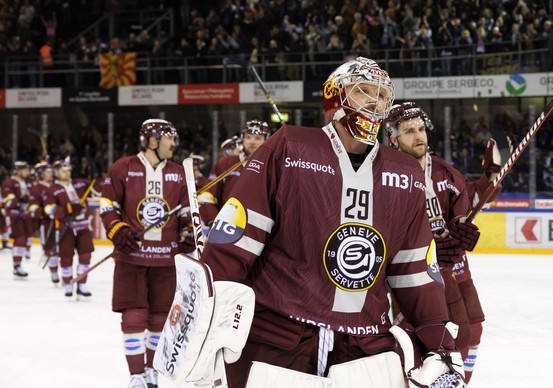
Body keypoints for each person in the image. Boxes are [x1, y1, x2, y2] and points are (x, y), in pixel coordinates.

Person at [194, 57, 463, 387]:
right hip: (276, 337)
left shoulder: (406, 172)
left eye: (381, 96)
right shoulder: (289, 147)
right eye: (364, 91)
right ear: (335, 97)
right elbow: (236, 239)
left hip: (362, 349)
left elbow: (414, 270)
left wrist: (440, 347)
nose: (375, 102)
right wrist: (205, 322)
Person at [385, 102, 493, 384]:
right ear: (393, 139)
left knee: (471, 330)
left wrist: (462, 229)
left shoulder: (444, 171)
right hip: (412, 272)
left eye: (421, 129)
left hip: (453, 268)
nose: (418, 136)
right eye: (409, 131)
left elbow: (464, 205)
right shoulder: (387, 174)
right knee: (412, 337)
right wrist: (432, 244)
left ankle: (460, 381)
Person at [99, 119, 193, 388]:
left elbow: (187, 210)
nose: (174, 144)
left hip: (166, 257)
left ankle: (151, 371)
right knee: (133, 315)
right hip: (133, 256)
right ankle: (136, 374)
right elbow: (107, 204)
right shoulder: (123, 167)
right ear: (152, 140)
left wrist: (187, 232)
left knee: (160, 317)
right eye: (169, 138)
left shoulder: (178, 172)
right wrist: (116, 228)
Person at [198, 119, 269, 227]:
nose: (252, 142)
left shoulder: (272, 167)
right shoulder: (226, 164)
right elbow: (207, 196)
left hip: (260, 229)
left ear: (267, 140)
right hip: (227, 228)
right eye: (248, 137)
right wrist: (212, 221)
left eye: (258, 138)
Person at [43, 159, 95, 297]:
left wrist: (93, 174)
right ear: (56, 172)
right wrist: (69, 208)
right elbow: (49, 209)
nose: (67, 173)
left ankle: (82, 284)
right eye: (63, 171)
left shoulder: (79, 183)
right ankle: (69, 284)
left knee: (86, 256)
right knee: (66, 258)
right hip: (66, 227)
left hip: (83, 226)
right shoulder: (52, 189)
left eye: (69, 170)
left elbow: (96, 189)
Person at [28, 161, 59, 284]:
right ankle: (54, 272)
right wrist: (45, 211)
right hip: (47, 222)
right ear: (41, 174)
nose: (51, 173)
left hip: (61, 221)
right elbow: (32, 207)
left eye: (51, 171)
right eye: (48, 171)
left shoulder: (57, 185)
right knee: (51, 248)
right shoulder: (37, 189)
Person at [1, 161, 33, 278]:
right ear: (17, 171)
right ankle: (17, 265)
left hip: (25, 214)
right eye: (24, 170)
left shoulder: (27, 182)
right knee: (20, 239)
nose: (27, 172)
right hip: (14, 214)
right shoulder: (9, 183)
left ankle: (20, 260)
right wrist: (18, 200)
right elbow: (8, 199)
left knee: (26, 238)